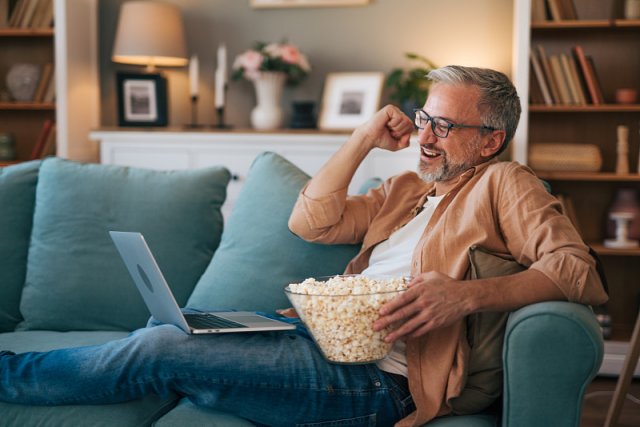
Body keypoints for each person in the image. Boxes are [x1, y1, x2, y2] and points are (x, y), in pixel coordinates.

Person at [0, 66, 608, 427]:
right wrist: (366, 136)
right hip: (313, 334)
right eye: (424, 118)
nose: (425, 136)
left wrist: (466, 297)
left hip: (380, 379)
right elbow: (311, 223)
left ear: (489, 140)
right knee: (175, 331)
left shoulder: (507, 182)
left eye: (444, 127)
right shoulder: (406, 189)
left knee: (159, 345)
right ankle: (204, 371)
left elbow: (576, 271)